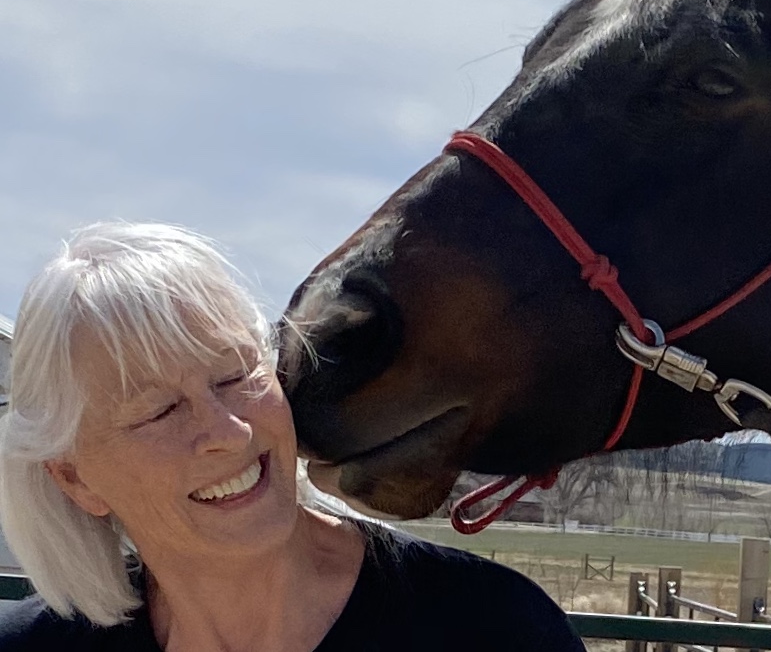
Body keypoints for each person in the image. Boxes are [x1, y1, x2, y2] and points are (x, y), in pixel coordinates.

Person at [0, 221, 585, 651]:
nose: (229, 431)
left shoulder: (494, 630)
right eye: (159, 412)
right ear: (74, 478)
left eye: (236, 376)